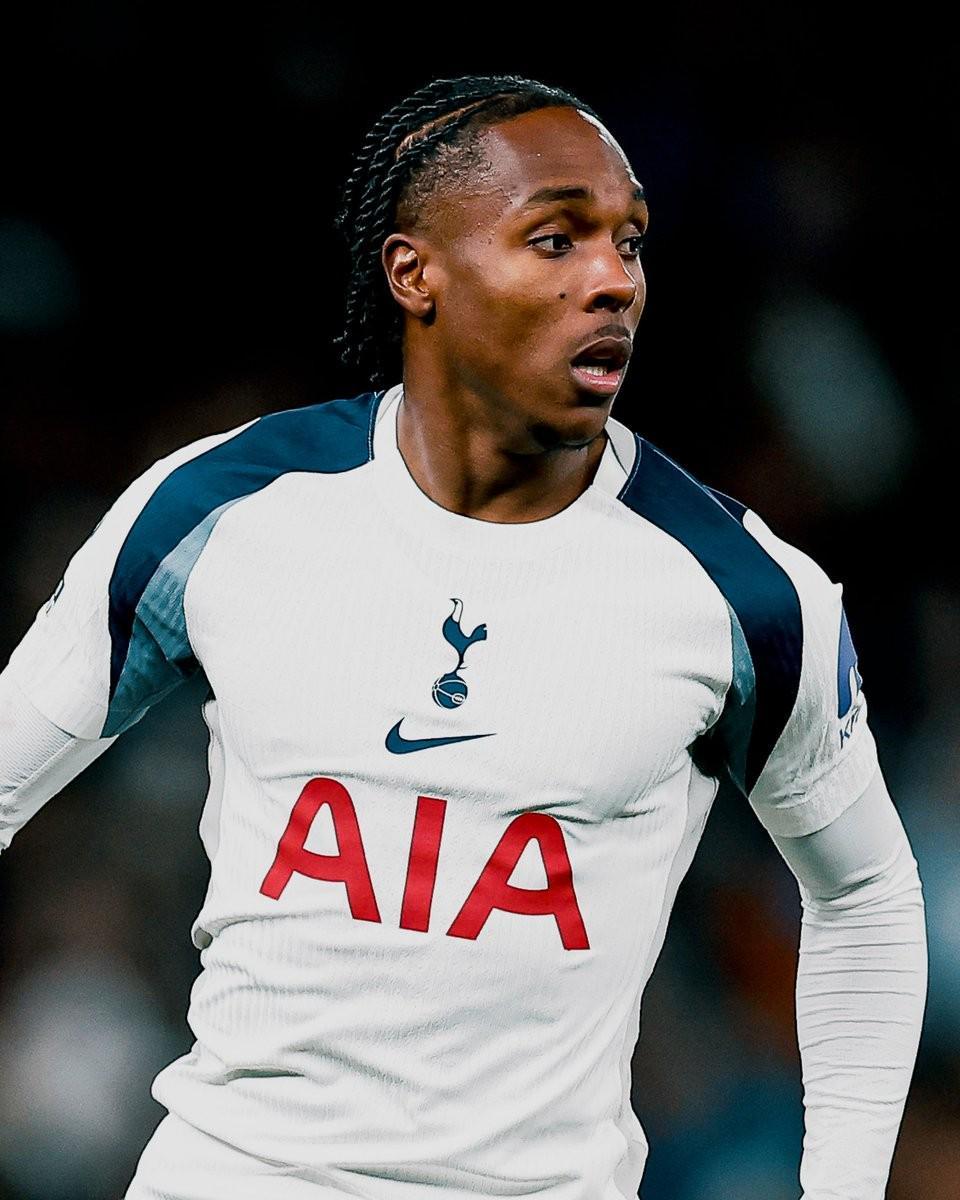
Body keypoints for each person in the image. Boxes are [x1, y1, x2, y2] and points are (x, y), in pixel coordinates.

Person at [0, 73, 927, 1200]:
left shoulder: (742, 593)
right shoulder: (219, 509)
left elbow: (866, 895)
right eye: (557, 239)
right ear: (415, 274)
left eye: (630, 243)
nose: (614, 280)